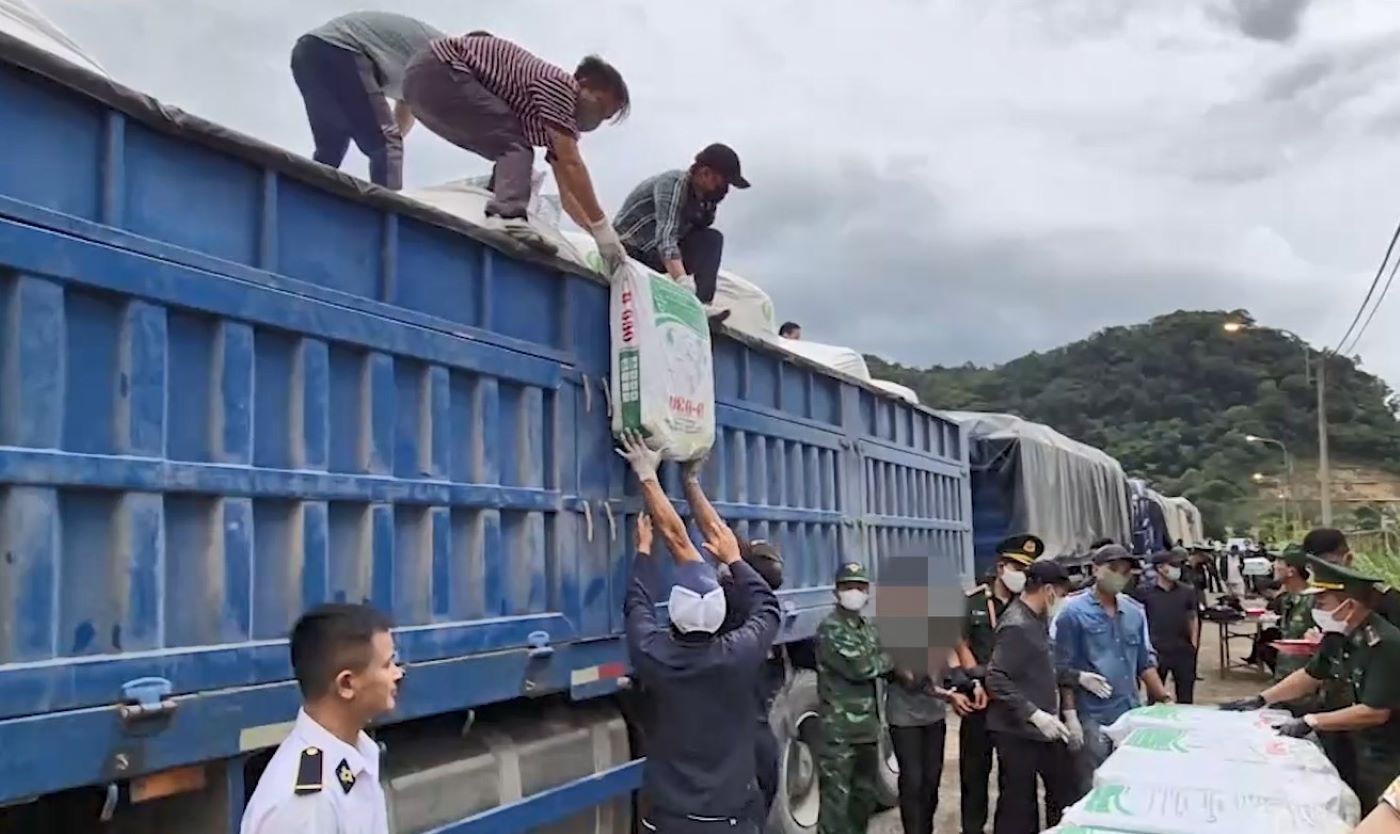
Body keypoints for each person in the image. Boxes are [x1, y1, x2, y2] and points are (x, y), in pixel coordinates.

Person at [616, 431, 780, 833]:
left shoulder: (659, 656)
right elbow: (716, 535)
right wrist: (690, 482)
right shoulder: (740, 647)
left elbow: (677, 539)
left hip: (675, 810)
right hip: (731, 791)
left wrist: (647, 477)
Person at [402, 31, 631, 261]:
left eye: (604, 117)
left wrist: (600, 239)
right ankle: (506, 217)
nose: (597, 118)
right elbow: (572, 163)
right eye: (600, 105)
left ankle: (493, 212)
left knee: (509, 149)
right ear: (584, 84)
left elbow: (569, 197)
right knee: (516, 146)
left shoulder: (555, 124)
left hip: (422, 85)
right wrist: (603, 227)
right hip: (440, 69)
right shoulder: (562, 88)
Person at [1220, 557, 1400, 815]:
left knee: (1379, 815)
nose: (1316, 608)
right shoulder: (1339, 635)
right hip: (1350, 742)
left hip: (1386, 755)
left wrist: (1311, 721)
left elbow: (1374, 711)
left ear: (1348, 605)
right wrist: (1262, 699)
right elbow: (1311, 674)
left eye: (1321, 602)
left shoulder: (1386, 645)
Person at [682, 455, 785, 831]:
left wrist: (682, 482)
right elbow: (717, 531)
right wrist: (691, 484)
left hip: (740, 742)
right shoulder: (763, 610)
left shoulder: (733, 602)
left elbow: (698, 536)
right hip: (756, 737)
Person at [239, 604, 404, 834]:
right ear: (346, 685)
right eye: (387, 665)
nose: (398, 674)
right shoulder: (305, 805)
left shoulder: (359, 752)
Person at [1054, 544, 1173, 798]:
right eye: (1113, 569)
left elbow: (1144, 661)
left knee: (1127, 783)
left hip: (1128, 710)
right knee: (1092, 787)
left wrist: (1163, 698)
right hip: (1091, 717)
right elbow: (1062, 667)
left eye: (1126, 571)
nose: (1120, 575)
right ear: (1096, 569)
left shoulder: (1134, 612)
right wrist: (1071, 716)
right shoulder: (1073, 613)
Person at [950, 533, 1045, 834]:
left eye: (1025, 569)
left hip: (1012, 703)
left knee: (1016, 777)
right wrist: (973, 681)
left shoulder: (1028, 606)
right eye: (1015, 567)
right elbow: (959, 641)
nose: (1020, 574)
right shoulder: (973, 601)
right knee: (974, 775)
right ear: (1000, 566)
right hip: (980, 698)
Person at [290, 11, 444, 191]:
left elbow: (406, 108)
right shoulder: (449, 60)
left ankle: (306, 198)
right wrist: (388, 142)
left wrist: (388, 138)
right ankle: (388, 213)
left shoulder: (419, 76)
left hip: (308, 52)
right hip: (342, 49)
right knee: (385, 143)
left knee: (330, 149)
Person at [985, 560, 1077, 834]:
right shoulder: (1017, 625)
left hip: (1043, 726)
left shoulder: (1037, 619)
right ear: (1048, 590)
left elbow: (1041, 665)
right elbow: (996, 677)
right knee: (1019, 806)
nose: (1062, 601)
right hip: (1017, 731)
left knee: (1062, 794)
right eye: (1061, 594)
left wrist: (1076, 677)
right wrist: (1033, 713)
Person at [614, 144, 751, 322]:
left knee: (712, 239)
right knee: (699, 243)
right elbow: (666, 237)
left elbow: (697, 239)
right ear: (705, 173)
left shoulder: (705, 201)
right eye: (722, 182)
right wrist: (682, 281)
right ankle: (691, 301)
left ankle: (702, 304)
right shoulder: (673, 184)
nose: (724, 189)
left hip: (656, 254)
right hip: (631, 249)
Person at [816, 561, 892, 834]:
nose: (854, 592)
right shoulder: (831, 628)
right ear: (836, 592)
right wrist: (892, 659)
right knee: (836, 804)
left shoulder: (867, 628)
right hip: (839, 733)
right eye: (848, 586)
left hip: (867, 730)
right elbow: (862, 667)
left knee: (863, 798)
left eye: (859, 586)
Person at [887, 652, 968, 834]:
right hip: (905, 719)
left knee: (931, 782)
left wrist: (968, 683)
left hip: (934, 716)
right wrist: (948, 695)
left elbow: (952, 659)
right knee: (913, 781)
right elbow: (911, 680)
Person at [1132, 550, 1200, 703]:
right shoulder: (1144, 593)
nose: (1178, 569)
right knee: (1155, 697)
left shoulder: (1187, 591)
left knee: (1186, 696)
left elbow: (1192, 617)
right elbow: (1138, 620)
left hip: (1182, 649)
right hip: (1157, 651)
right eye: (1173, 565)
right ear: (1160, 568)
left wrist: (1193, 644)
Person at [1304, 527, 1400, 626]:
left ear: (1349, 559)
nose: (1325, 573)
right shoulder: (1315, 600)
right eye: (1316, 568)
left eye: (1331, 565)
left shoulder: (1381, 598)